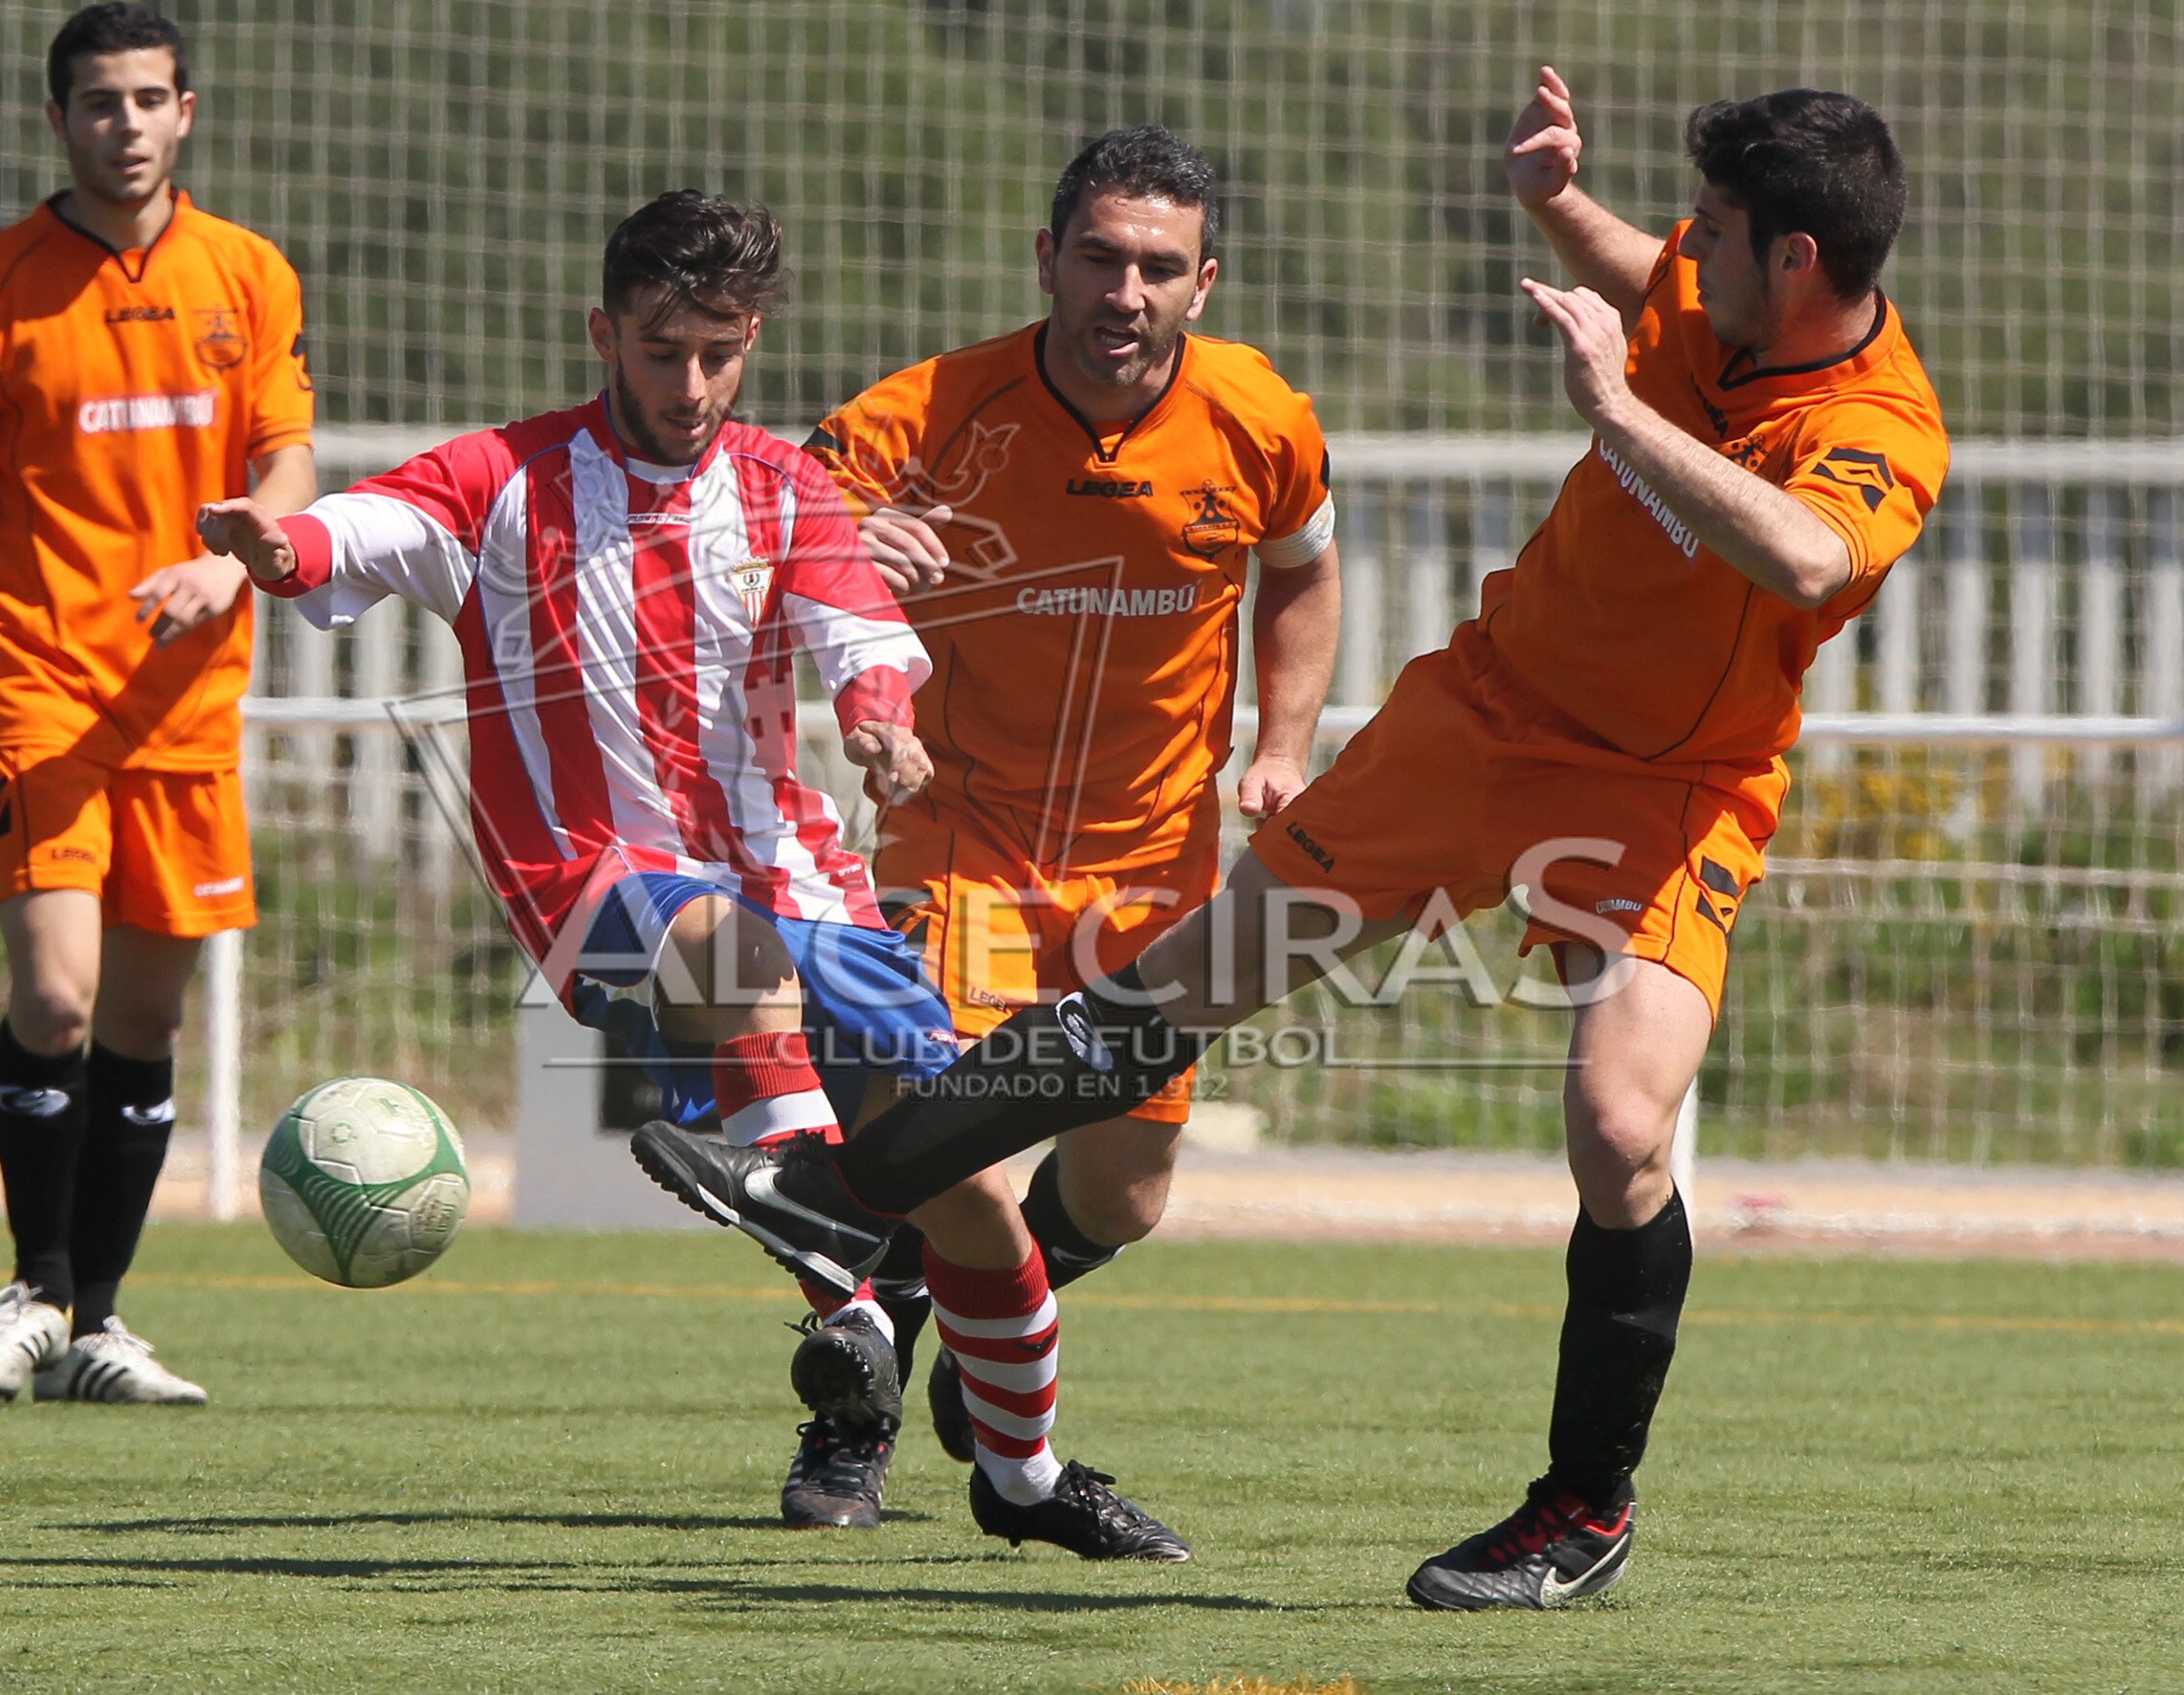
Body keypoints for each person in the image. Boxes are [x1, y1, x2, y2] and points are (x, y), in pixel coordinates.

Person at [635, 72, 1950, 1608]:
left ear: (1793, 264)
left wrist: (1611, 411)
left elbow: (1801, 556)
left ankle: (1579, 1512)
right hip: (1478, 719)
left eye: (1710, 232)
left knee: (1617, 1132)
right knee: (1182, 989)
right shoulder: (1711, 290)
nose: (1678, 253)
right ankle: (852, 1205)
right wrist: (1550, 206)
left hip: (1667, 790)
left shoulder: (1877, 426)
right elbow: (1645, 275)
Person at [199, 188, 1187, 1560]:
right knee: (734, 957)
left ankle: (1021, 1479)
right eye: (662, 350)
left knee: (971, 1188)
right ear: (604, 333)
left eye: (720, 352)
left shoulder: (787, 488)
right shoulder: (503, 480)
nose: (692, 382)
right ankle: (830, 1257)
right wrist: (270, 540)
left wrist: (882, 724)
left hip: (800, 877)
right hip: (593, 881)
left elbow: (863, 639)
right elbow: (347, 536)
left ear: (753, 339)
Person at [635, 125, 1341, 1535]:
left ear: (1204, 283)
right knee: (934, 1155)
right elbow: (761, 502)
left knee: (1122, 1199)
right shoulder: (941, 405)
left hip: (1155, 866)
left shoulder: (1261, 416)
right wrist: (845, 532)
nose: (1123, 291)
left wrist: (1279, 745)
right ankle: (855, 1426)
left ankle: (941, 1332)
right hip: (961, 841)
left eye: (1156, 267)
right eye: (1098, 258)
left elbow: (1302, 573)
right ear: (1047, 260)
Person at [0, 3, 318, 1404]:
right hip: (36, 685)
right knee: (57, 992)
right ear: (60, 121)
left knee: (144, 1028)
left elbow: (287, 460)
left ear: (187, 113)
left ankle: (97, 1320)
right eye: (101, 102)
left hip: (185, 708)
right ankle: (30, 1291)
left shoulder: (249, 275)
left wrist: (235, 566)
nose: (127, 124)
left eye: (151, 99)